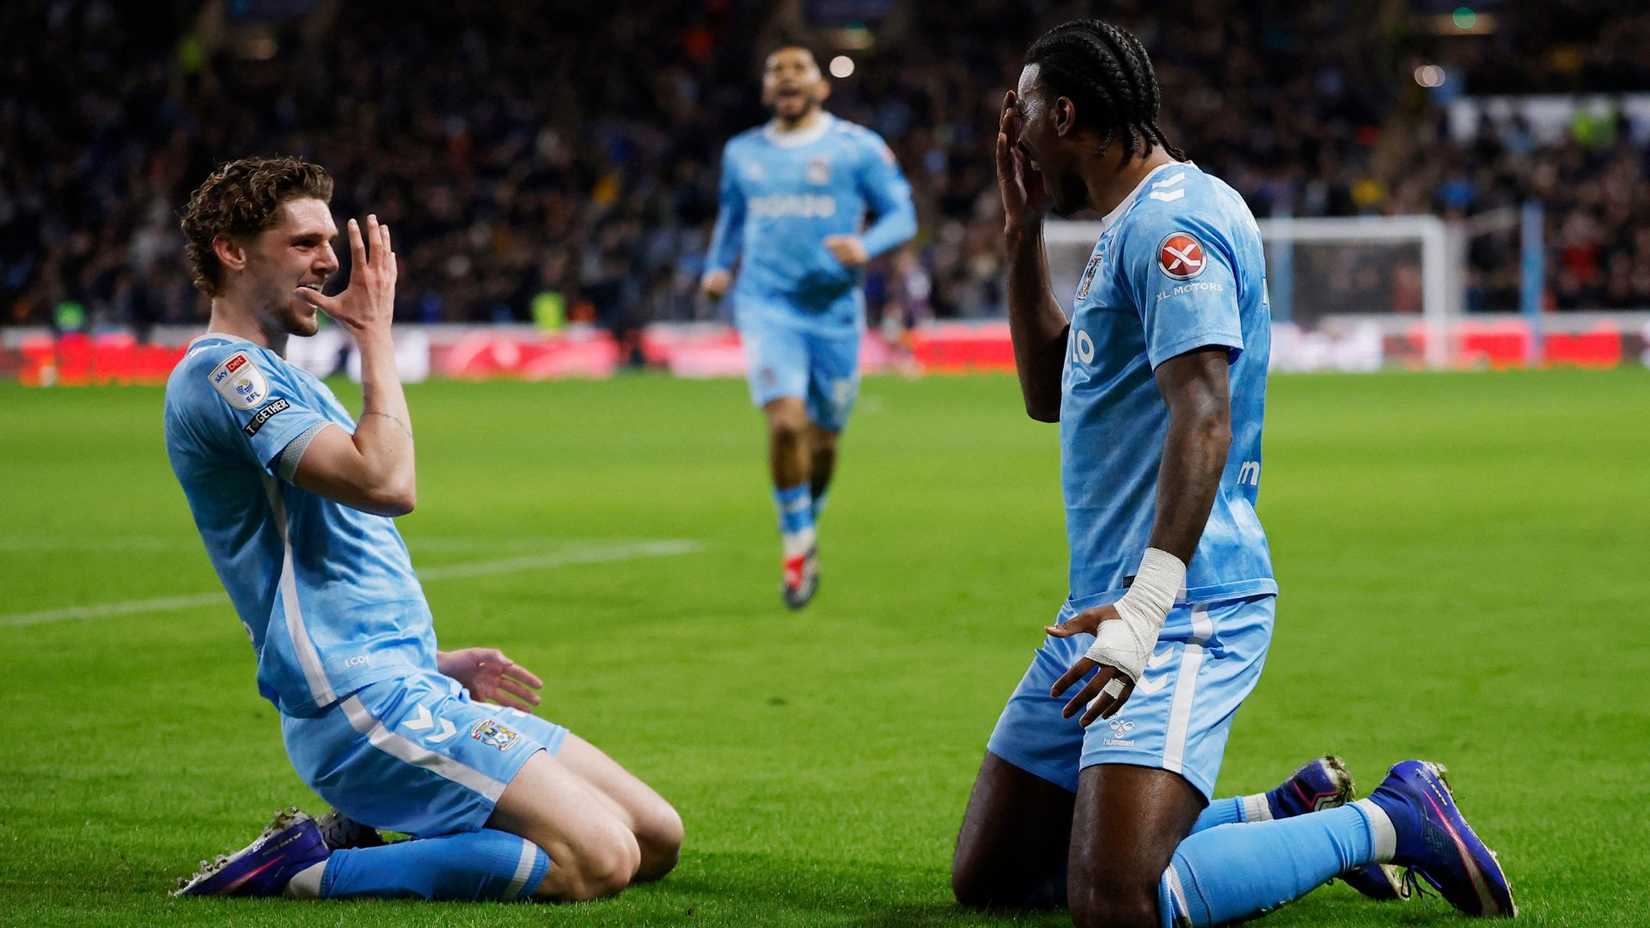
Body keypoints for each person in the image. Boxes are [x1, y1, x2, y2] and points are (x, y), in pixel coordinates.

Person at [950, 20, 1515, 927]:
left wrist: (1144, 613)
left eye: (1021, 107)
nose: (1009, 128)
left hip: (1182, 608)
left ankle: (1390, 819)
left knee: (1118, 904)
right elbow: (1047, 394)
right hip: (1097, 604)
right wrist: (1022, 237)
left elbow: (1204, 413)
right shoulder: (1125, 223)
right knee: (995, 877)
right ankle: (1271, 817)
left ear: (1065, 114)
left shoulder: (1174, 221)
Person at [163, 156, 682, 901]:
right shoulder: (223, 376)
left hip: (407, 683)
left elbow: (333, 553)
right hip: (357, 707)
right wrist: (376, 335)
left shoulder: (290, 380)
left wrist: (431, 660)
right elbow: (387, 484)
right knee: (599, 860)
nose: (329, 260)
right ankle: (301, 869)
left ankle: (381, 826)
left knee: (655, 837)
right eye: (305, 242)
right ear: (231, 251)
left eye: (330, 241)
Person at [700, 42, 917, 609]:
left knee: (823, 442)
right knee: (785, 423)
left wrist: (865, 245)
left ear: (821, 86)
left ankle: (806, 522)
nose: (786, 76)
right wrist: (718, 267)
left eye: (798, 68)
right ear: (766, 89)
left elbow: (902, 214)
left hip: (834, 314)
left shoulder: (856, 147)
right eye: (775, 69)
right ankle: (796, 544)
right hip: (767, 306)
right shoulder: (742, 153)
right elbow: (732, 218)